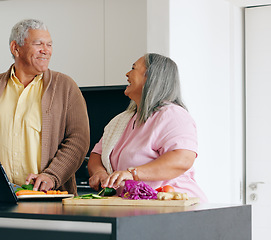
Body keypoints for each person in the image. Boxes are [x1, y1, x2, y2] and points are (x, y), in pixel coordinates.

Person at [0, 19, 90, 194]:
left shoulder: (65, 87)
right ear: (15, 48)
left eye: (49, 44)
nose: (46, 50)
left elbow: (78, 139)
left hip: (47, 198)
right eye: (38, 44)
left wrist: (52, 175)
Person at [87, 53, 207, 202]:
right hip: (135, 206)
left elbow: (182, 159)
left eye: (133, 68)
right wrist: (99, 173)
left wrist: (133, 174)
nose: (127, 74)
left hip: (174, 206)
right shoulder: (122, 120)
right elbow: (97, 154)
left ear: (150, 77)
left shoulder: (173, 114)